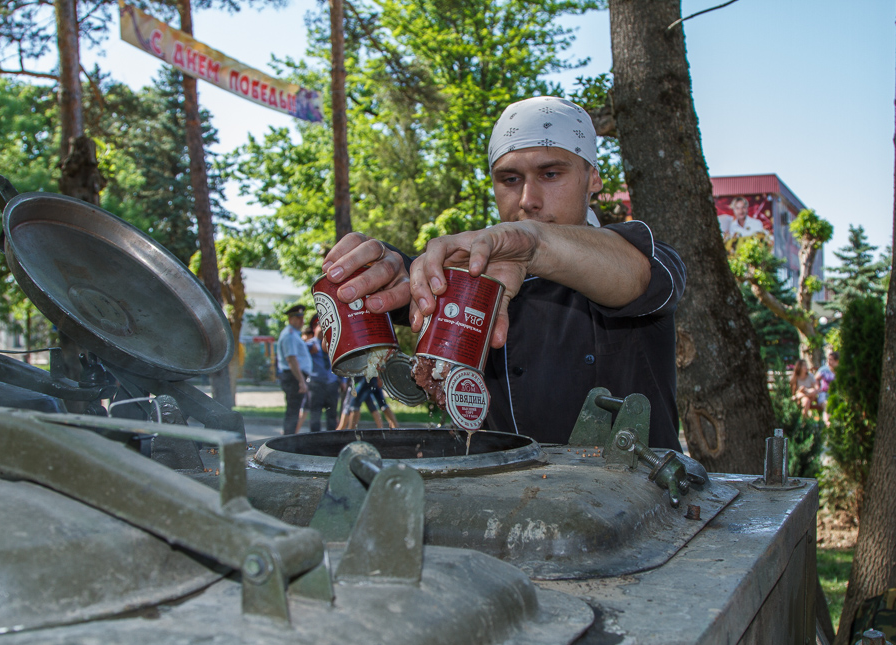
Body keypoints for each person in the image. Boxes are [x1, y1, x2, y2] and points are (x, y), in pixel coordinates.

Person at [316, 96, 686, 448]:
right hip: (508, 497)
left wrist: (534, 243)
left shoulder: (636, 254)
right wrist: (387, 268)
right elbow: (406, 281)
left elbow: (636, 277)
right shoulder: (470, 276)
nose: (527, 199)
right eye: (509, 179)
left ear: (592, 177)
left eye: (551, 173)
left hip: (640, 501)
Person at [299, 314, 345, 432]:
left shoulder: (334, 343)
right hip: (316, 384)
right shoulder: (310, 344)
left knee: (332, 415)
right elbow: (300, 350)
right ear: (314, 328)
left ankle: (331, 439)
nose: (322, 329)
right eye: (319, 326)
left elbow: (341, 363)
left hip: (332, 384)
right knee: (315, 415)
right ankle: (315, 439)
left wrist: (343, 380)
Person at [276, 303, 313, 435]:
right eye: (298, 318)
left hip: (294, 376)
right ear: (291, 319)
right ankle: (288, 440)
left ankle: (289, 437)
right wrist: (301, 381)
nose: (301, 321)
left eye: (302, 318)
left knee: (294, 410)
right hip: (293, 377)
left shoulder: (294, 334)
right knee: (293, 411)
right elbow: (291, 359)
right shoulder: (289, 335)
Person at [815, 350, 839, 426]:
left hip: (836, 394)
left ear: (836, 361)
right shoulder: (824, 369)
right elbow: (815, 379)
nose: (829, 361)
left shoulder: (840, 370)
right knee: (827, 404)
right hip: (824, 393)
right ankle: (827, 423)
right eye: (828, 359)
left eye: (831, 359)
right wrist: (817, 388)